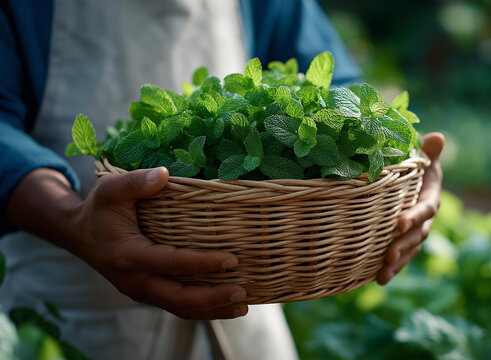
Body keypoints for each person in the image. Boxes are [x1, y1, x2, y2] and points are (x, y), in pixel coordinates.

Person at [0, 0, 444, 359]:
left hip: (249, 290)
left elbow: (337, 89)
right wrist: (72, 219)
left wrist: (400, 163)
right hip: (73, 293)